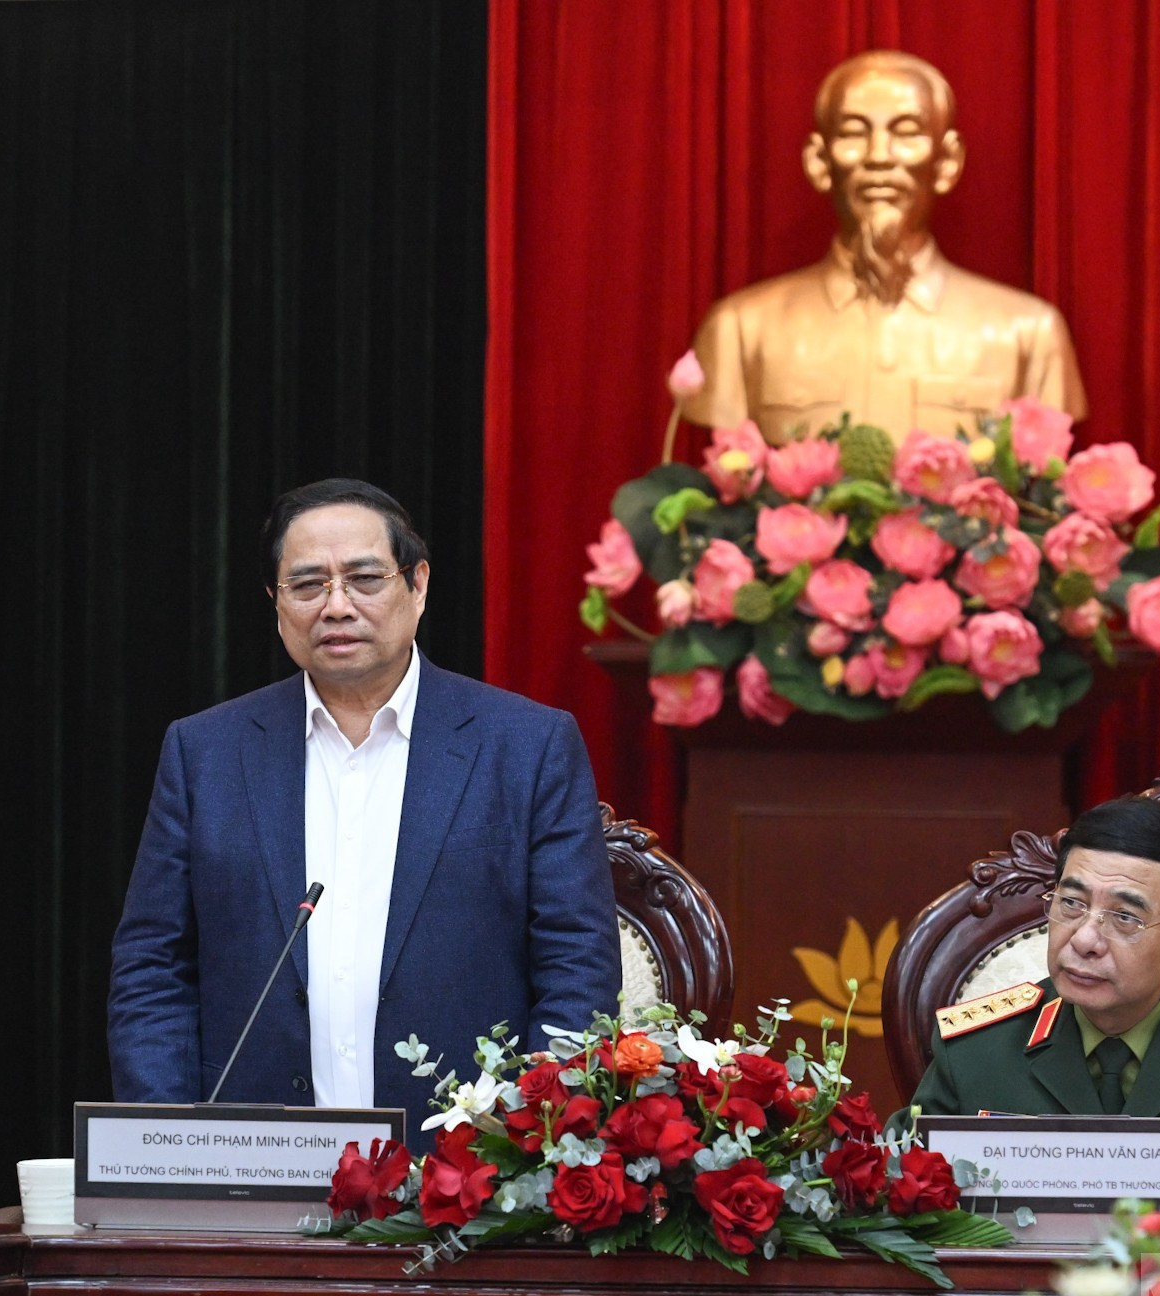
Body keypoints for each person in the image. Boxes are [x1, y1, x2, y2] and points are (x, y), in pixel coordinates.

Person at [107, 479, 621, 1132]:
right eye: (308, 584)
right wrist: (170, 1145)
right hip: (251, 1179)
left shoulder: (526, 747)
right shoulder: (205, 752)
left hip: (467, 1183)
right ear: (276, 601)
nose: (337, 605)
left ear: (419, 583)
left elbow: (577, 968)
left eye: (364, 578)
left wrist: (527, 1145)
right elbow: (153, 969)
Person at [681, 50, 1086, 446]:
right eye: (854, 133)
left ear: (947, 162)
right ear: (820, 162)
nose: (879, 156)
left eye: (907, 132)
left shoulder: (1027, 334)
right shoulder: (740, 330)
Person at [908, 797, 1160, 1118]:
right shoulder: (974, 1050)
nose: (1085, 939)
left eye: (1124, 917)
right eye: (1071, 903)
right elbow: (907, 1192)